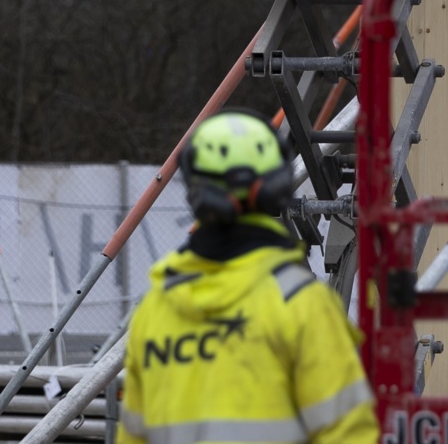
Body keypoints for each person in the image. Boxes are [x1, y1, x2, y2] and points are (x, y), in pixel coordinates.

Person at [118, 111, 375, 444]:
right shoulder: (300, 304)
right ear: (275, 186)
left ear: (196, 190)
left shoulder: (157, 309)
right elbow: (350, 433)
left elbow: (133, 436)